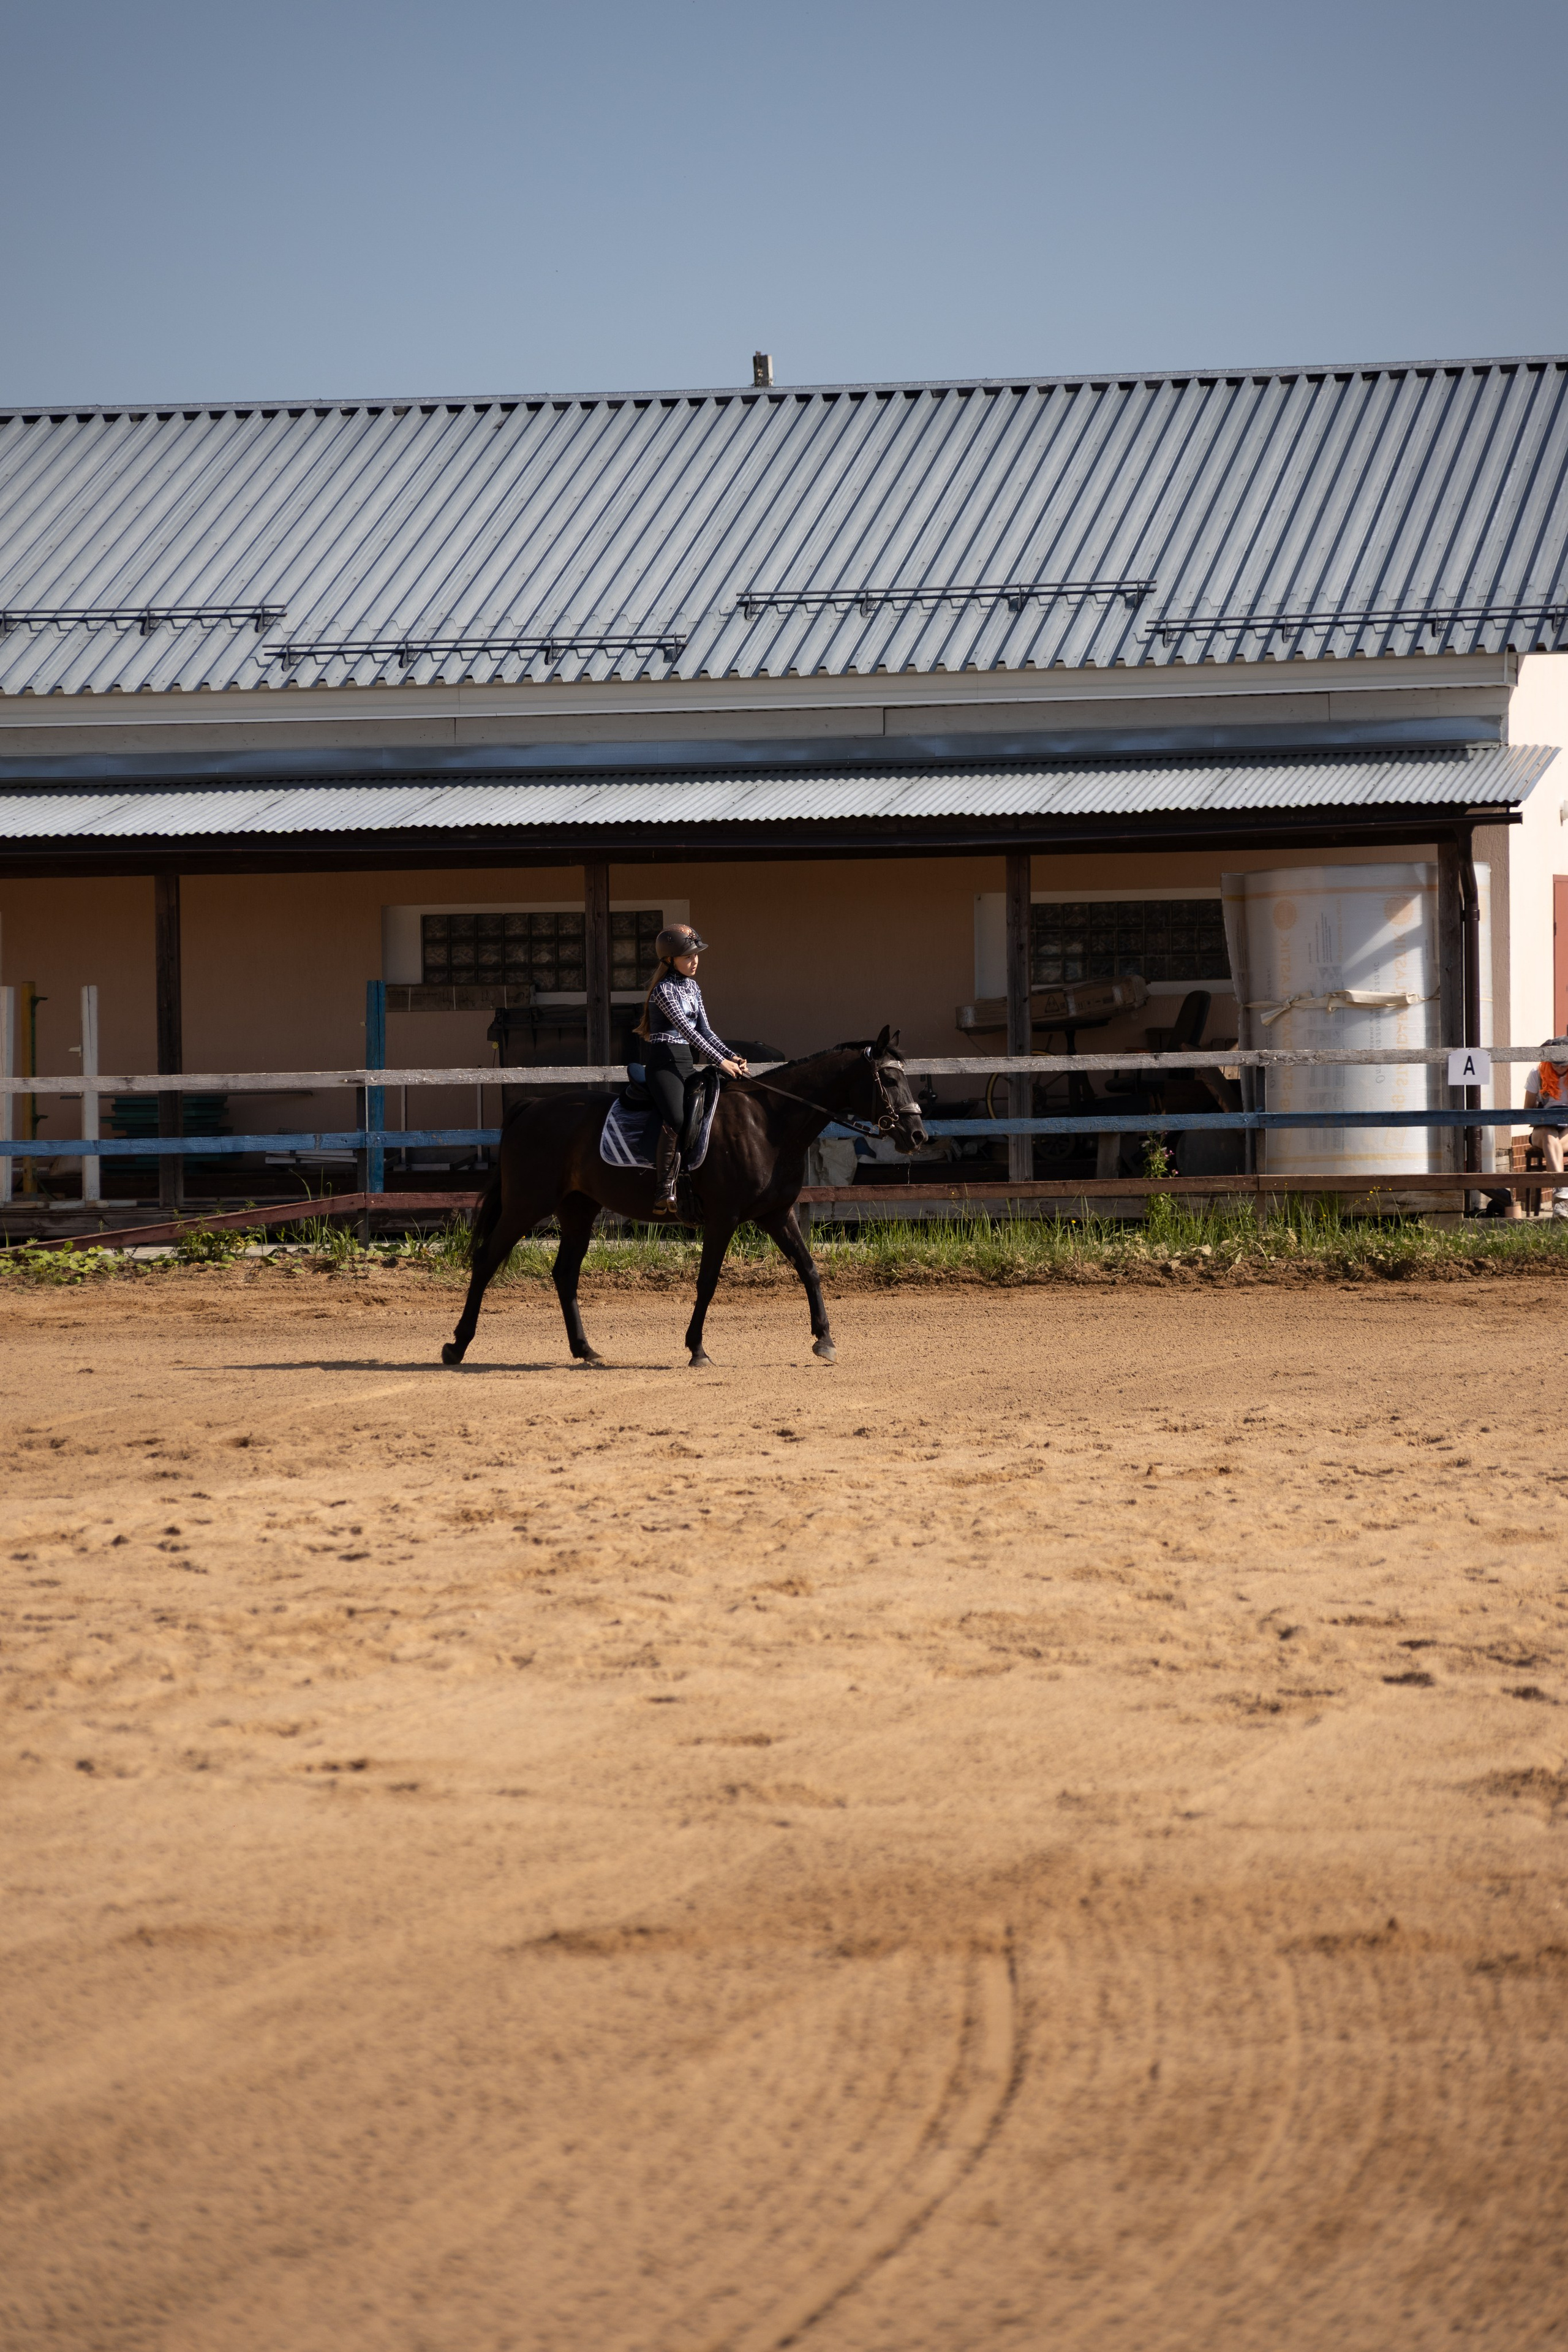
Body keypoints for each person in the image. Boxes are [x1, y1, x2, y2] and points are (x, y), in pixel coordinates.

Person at [634, 925, 748, 1214]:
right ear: (670, 960)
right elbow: (687, 1031)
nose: (695, 961)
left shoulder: (693, 987)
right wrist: (717, 1062)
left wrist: (731, 1055)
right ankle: (663, 1187)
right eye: (687, 957)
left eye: (696, 955)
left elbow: (706, 1032)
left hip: (686, 1063)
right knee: (675, 1117)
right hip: (664, 1064)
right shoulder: (663, 990)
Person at [1523, 1037, 1568, 1218]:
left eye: (1564, 1064)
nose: (1559, 1068)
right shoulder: (1538, 1073)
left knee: (1554, 1141)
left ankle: (1560, 1201)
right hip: (1543, 1129)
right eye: (1555, 1064)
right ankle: (1561, 1190)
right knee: (1550, 1136)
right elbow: (1527, 1110)